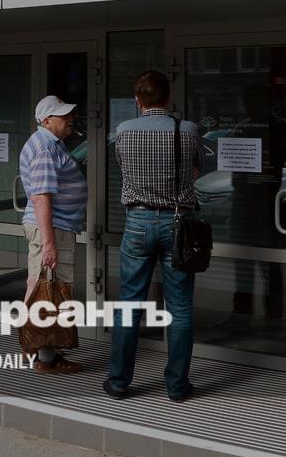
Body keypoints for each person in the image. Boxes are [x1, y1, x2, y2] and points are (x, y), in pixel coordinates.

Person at [105, 71, 201, 402]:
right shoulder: (187, 130)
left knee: (130, 303)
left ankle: (119, 382)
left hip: (138, 221)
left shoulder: (123, 131)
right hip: (178, 222)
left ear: (138, 101)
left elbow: (123, 169)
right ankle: (177, 386)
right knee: (180, 306)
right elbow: (196, 170)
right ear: (168, 97)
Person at [19, 95, 88, 374]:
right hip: (53, 229)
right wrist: (49, 243)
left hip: (54, 227)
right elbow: (41, 197)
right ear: (46, 120)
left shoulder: (48, 144)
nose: (70, 119)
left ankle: (35, 348)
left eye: (70, 114)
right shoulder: (45, 148)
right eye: (63, 115)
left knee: (40, 286)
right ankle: (47, 358)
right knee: (50, 289)